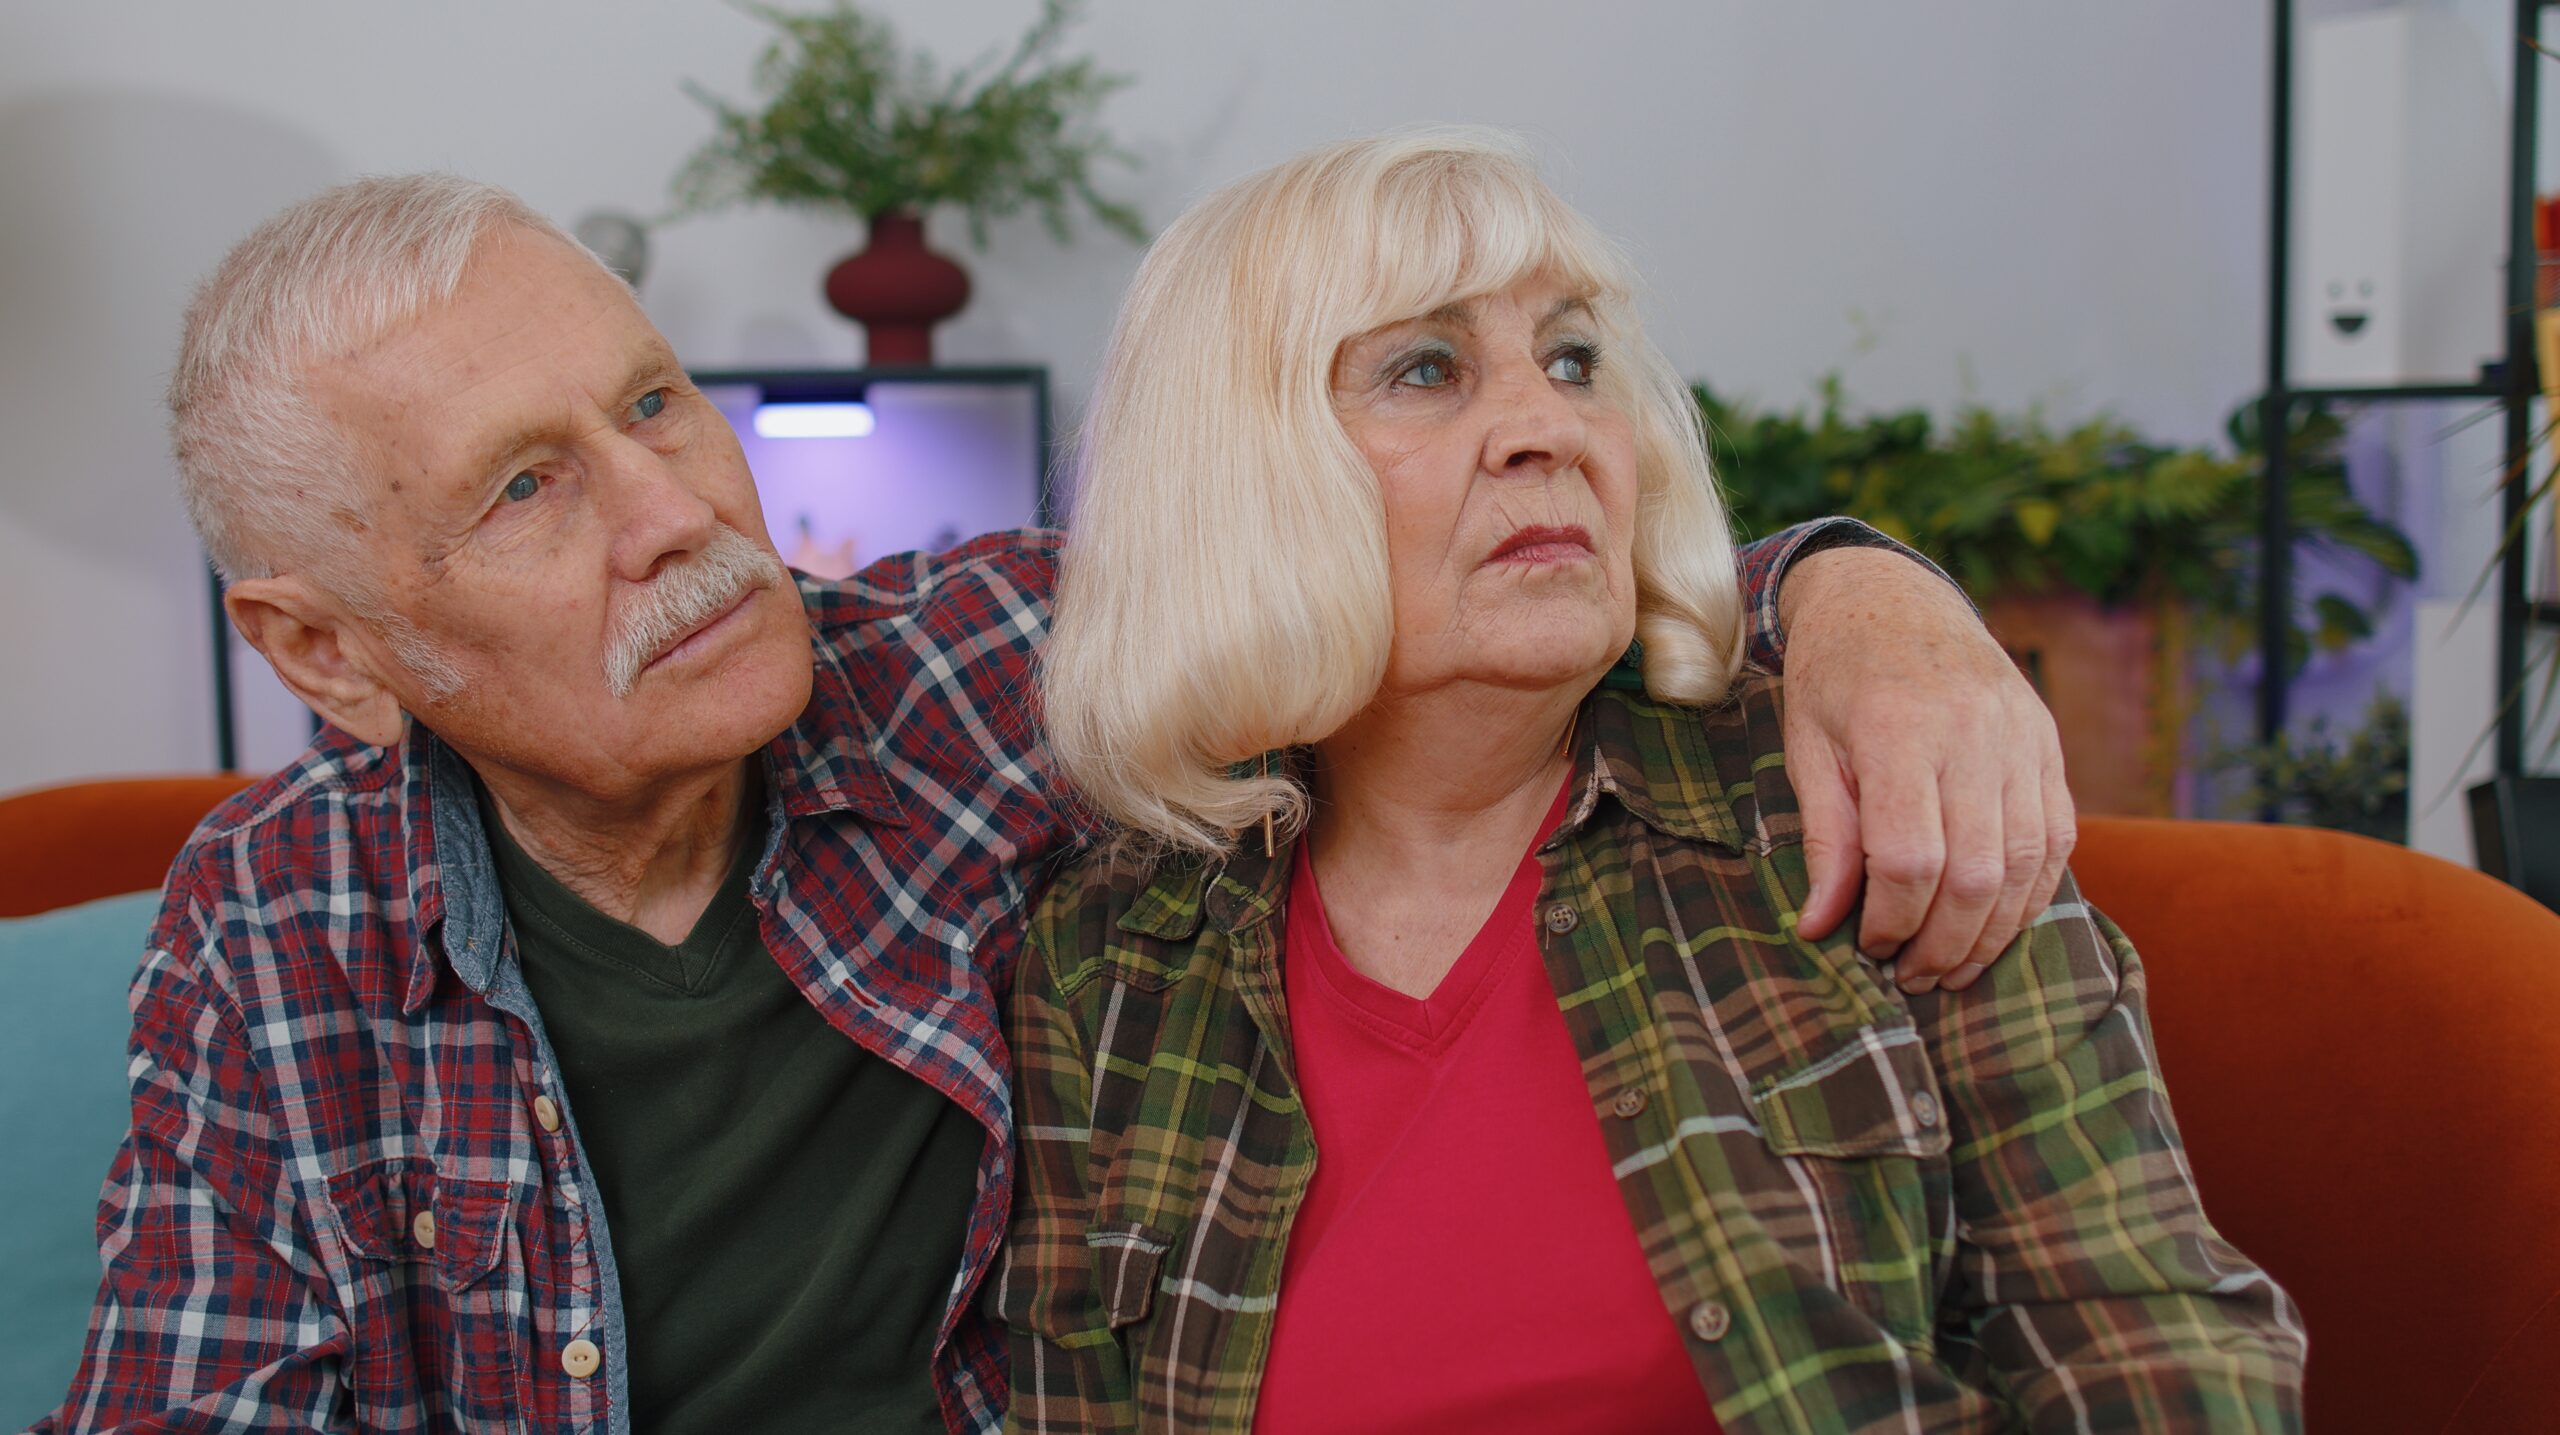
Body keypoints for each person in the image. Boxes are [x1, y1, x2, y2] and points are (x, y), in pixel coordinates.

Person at [39, 169, 2068, 1435]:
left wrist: (1853, 590)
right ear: (327, 655)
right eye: (526, 486)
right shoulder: (277, 917)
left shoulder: (981, 674)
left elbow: (1427, 559)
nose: (680, 514)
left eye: (653, 401)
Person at [1000, 130, 2305, 1434]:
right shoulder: (1109, 956)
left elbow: (2159, 1366)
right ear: (1237, 475)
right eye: (1427, 369)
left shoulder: (1864, 799)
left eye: (1572, 359)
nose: (1549, 426)